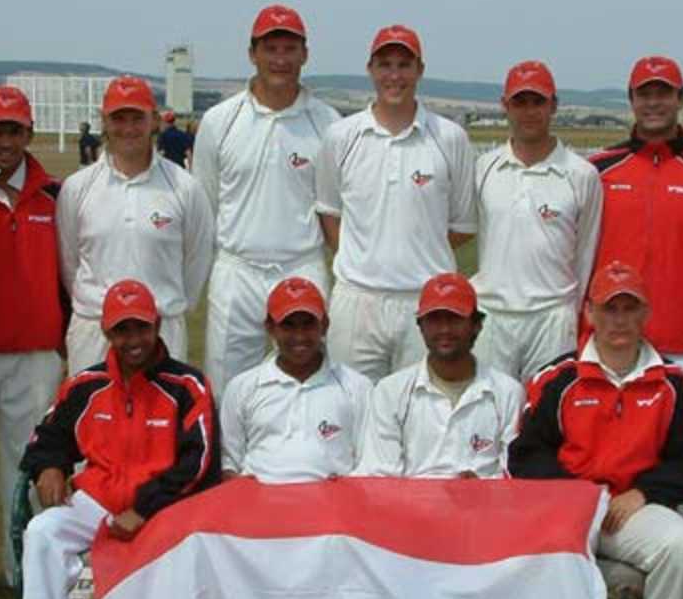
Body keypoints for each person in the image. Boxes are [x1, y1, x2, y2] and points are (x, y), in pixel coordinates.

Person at [508, 260, 683, 599]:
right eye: (609, 309)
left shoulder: (673, 384)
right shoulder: (559, 379)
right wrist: (577, 495)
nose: (619, 321)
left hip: (631, 510)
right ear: (589, 313)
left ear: (646, 315)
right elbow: (524, 454)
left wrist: (645, 491)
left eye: (630, 309)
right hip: (570, 509)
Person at [17, 279, 221, 599]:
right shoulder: (85, 385)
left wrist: (145, 509)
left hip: (163, 509)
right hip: (98, 501)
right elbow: (47, 436)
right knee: (43, 532)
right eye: (122, 331)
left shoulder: (187, 386)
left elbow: (200, 463)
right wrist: (49, 465)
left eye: (141, 329)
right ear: (107, 333)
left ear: (157, 325)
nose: (133, 341)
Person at [315, 24, 477, 382]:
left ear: (419, 70)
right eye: (385, 64)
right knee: (352, 413)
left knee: (419, 414)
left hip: (425, 303)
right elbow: (329, 213)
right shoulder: (341, 136)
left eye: (404, 65)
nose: (394, 75)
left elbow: (461, 226)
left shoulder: (450, 138)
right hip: (356, 301)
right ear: (371, 69)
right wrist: (367, 257)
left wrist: (414, 248)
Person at [194, 4, 341, 393]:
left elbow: (335, 211)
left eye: (289, 49)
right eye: (270, 48)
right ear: (252, 53)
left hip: (302, 266)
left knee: (312, 384)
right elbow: (205, 208)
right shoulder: (219, 121)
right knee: (226, 389)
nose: (280, 59)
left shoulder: (328, 124)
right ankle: (228, 457)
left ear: (305, 54)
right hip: (236, 270)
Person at [0, 85, 67, 588]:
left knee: (25, 473)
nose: (5, 141)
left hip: (36, 356)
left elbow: (70, 277)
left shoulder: (54, 195)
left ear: (29, 133)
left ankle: (22, 573)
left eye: (15, 130)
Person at [587, 56, 683, 383]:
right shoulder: (598, 170)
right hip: (611, 340)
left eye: (663, 93)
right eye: (644, 94)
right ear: (631, 100)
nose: (654, 103)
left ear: (680, 99)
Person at [57, 75, 215, 373]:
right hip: (94, 328)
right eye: (118, 118)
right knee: (91, 418)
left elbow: (197, 261)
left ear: (154, 120)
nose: (128, 128)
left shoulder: (184, 187)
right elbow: (70, 263)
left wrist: (164, 305)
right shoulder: (77, 187)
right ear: (104, 121)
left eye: (137, 118)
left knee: (161, 418)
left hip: (161, 328)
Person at [471, 60, 603, 382]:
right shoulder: (483, 168)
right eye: (520, 102)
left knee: (545, 418)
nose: (529, 112)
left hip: (553, 318)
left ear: (554, 105)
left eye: (538, 101)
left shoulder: (581, 175)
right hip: (492, 316)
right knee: (491, 415)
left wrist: (571, 314)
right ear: (505, 106)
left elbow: (586, 253)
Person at [355, 272, 520, 478]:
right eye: (434, 320)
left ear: (477, 325)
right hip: (411, 508)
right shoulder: (390, 391)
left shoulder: (508, 392)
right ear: (421, 327)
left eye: (455, 319)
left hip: (484, 507)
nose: (445, 329)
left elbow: (515, 474)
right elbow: (380, 474)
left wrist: (484, 489)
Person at [221, 277, 372, 482]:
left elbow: (368, 463)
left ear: (325, 325)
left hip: (333, 506)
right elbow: (228, 464)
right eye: (288, 326)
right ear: (270, 328)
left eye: (308, 324)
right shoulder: (242, 388)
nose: (299, 336)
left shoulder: (357, 387)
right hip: (261, 506)